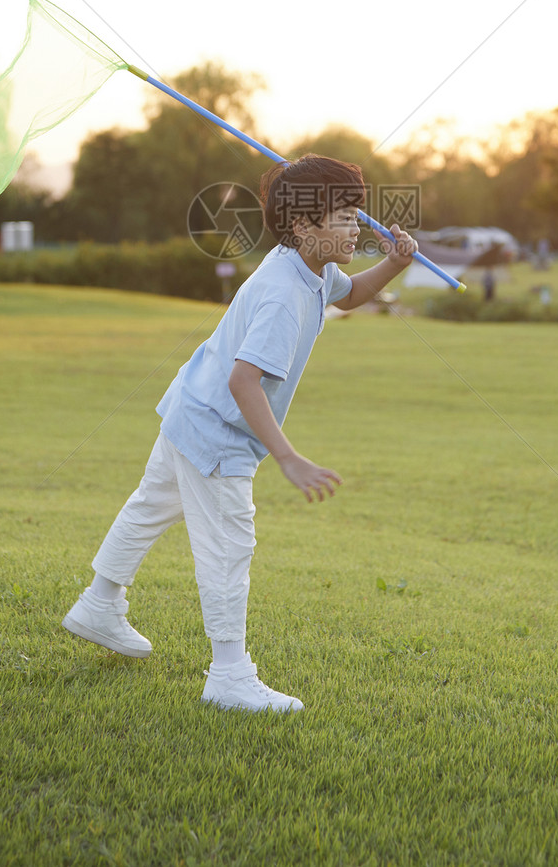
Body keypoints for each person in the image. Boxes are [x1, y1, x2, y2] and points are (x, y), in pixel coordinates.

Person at [62, 155, 417, 713]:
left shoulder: (311, 267)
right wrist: (288, 456)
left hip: (190, 408)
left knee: (150, 505)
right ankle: (229, 674)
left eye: (358, 213)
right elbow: (245, 380)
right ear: (303, 226)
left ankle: (98, 603)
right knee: (229, 546)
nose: (359, 227)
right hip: (219, 430)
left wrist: (394, 265)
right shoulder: (283, 293)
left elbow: (348, 296)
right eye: (345, 215)